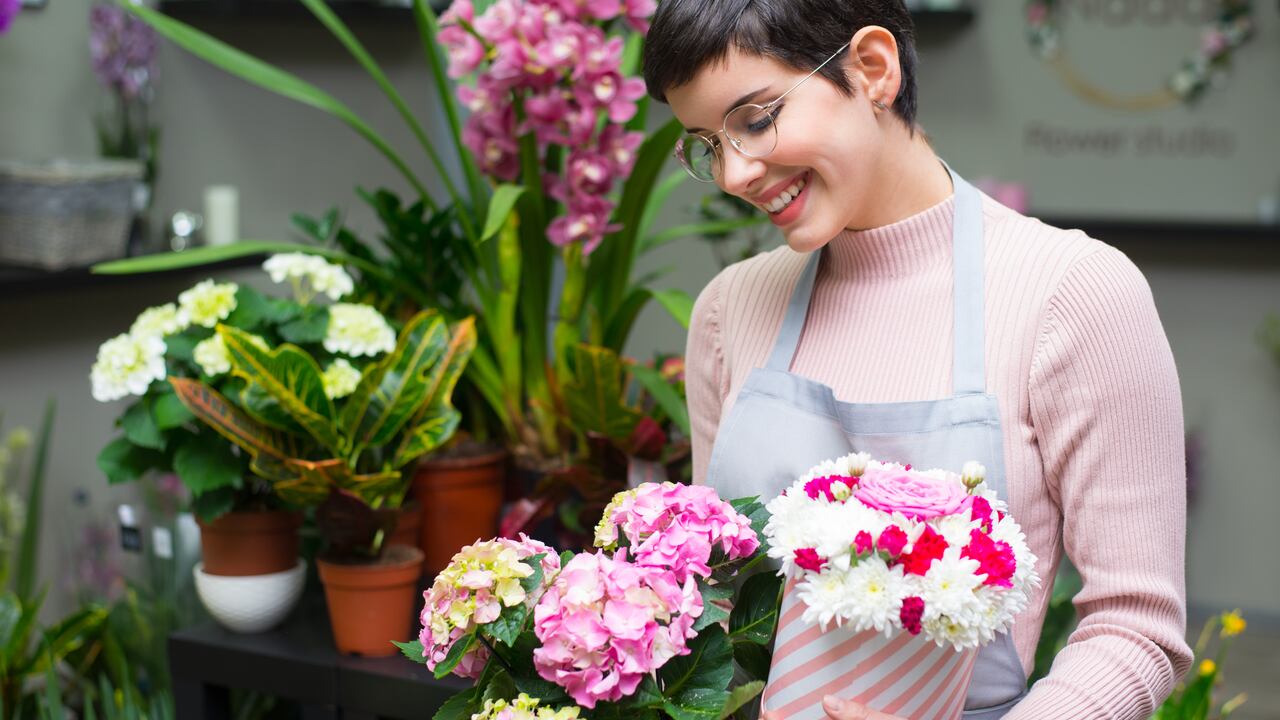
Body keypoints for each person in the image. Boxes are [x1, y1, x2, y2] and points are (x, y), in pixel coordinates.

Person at [641, 1, 1193, 718]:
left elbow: (1137, 629)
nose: (736, 174)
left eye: (754, 118)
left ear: (872, 68)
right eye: (706, 144)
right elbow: (716, 597)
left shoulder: (1072, 293)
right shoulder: (730, 309)